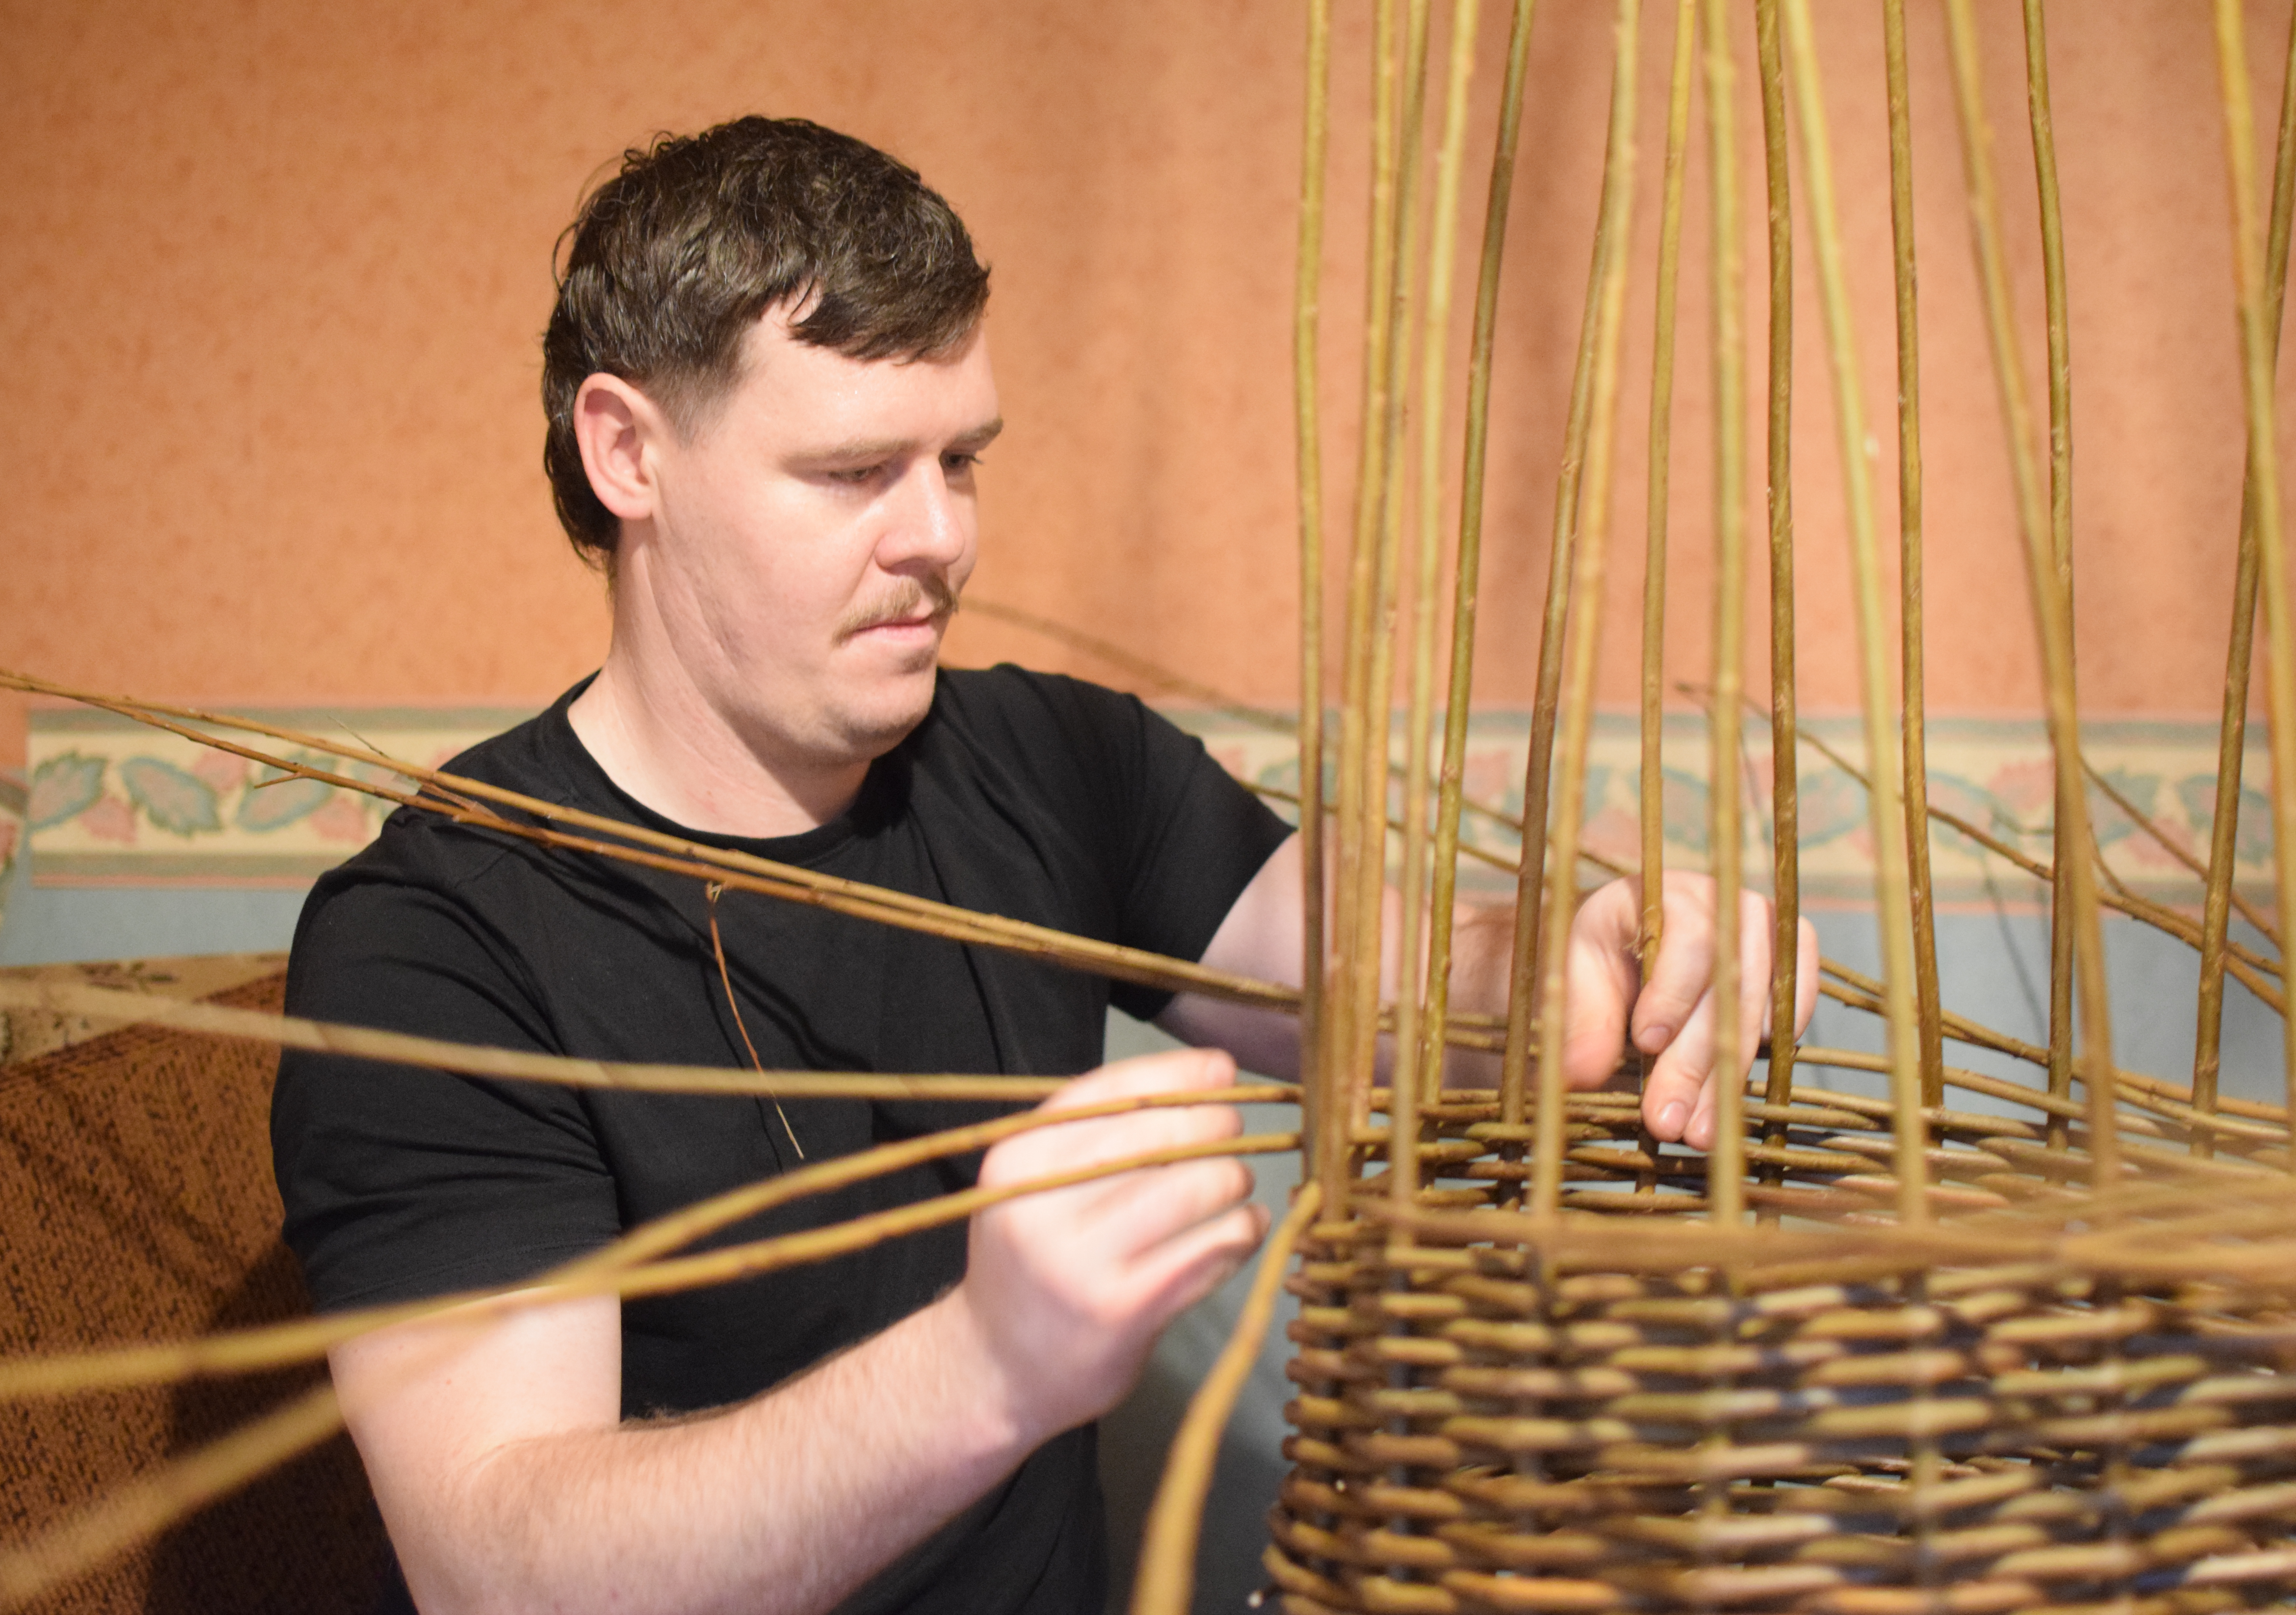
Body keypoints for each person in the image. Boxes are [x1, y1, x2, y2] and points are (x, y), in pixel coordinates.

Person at [271, 116, 1818, 1615]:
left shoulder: (1054, 763)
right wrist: (988, 1370)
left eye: (964, 460)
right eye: (853, 471)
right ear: (629, 453)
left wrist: (1600, 963)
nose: (939, 536)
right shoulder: (436, 944)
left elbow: (1394, 996)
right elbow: (503, 1573)